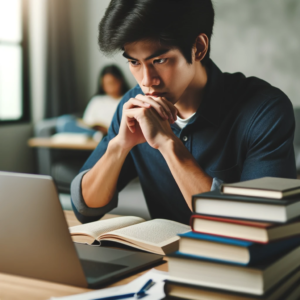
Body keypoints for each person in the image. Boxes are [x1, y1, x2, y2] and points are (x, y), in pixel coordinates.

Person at [71, 0, 296, 225]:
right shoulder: (132, 107)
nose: (147, 81)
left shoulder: (265, 110)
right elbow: (85, 209)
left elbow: (261, 224)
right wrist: (120, 146)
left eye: (159, 60)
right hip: (163, 259)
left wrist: (168, 145)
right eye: (134, 62)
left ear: (198, 47)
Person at [56, 65, 130, 138]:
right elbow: (86, 122)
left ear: (120, 81)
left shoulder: (127, 100)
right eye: (106, 84)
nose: (110, 88)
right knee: (63, 122)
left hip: (115, 132)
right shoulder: (96, 100)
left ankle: (103, 135)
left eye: (112, 83)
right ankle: (96, 134)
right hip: (92, 131)